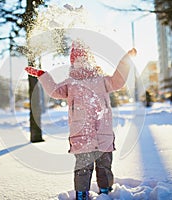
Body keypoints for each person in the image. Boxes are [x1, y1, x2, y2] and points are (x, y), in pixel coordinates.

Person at [25, 40, 136, 200]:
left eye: (85, 60)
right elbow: (55, 91)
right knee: (83, 168)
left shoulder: (102, 80)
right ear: (73, 63)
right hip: (81, 136)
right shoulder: (70, 83)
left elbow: (118, 81)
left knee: (105, 167)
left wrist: (125, 61)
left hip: (103, 134)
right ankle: (81, 194)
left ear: (91, 61)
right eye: (78, 60)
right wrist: (43, 76)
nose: (82, 63)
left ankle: (106, 192)